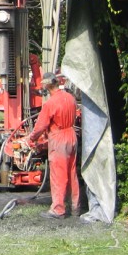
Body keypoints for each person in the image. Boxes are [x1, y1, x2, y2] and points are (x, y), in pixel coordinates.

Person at [28, 71, 80, 219]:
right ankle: (75, 207)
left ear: (46, 85)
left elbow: (40, 126)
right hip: (71, 135)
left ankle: (58, 209)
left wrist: (31, 138)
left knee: (58, 175)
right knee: (71, 173)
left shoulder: (50, 103)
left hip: (59, 139)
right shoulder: (70, 98)